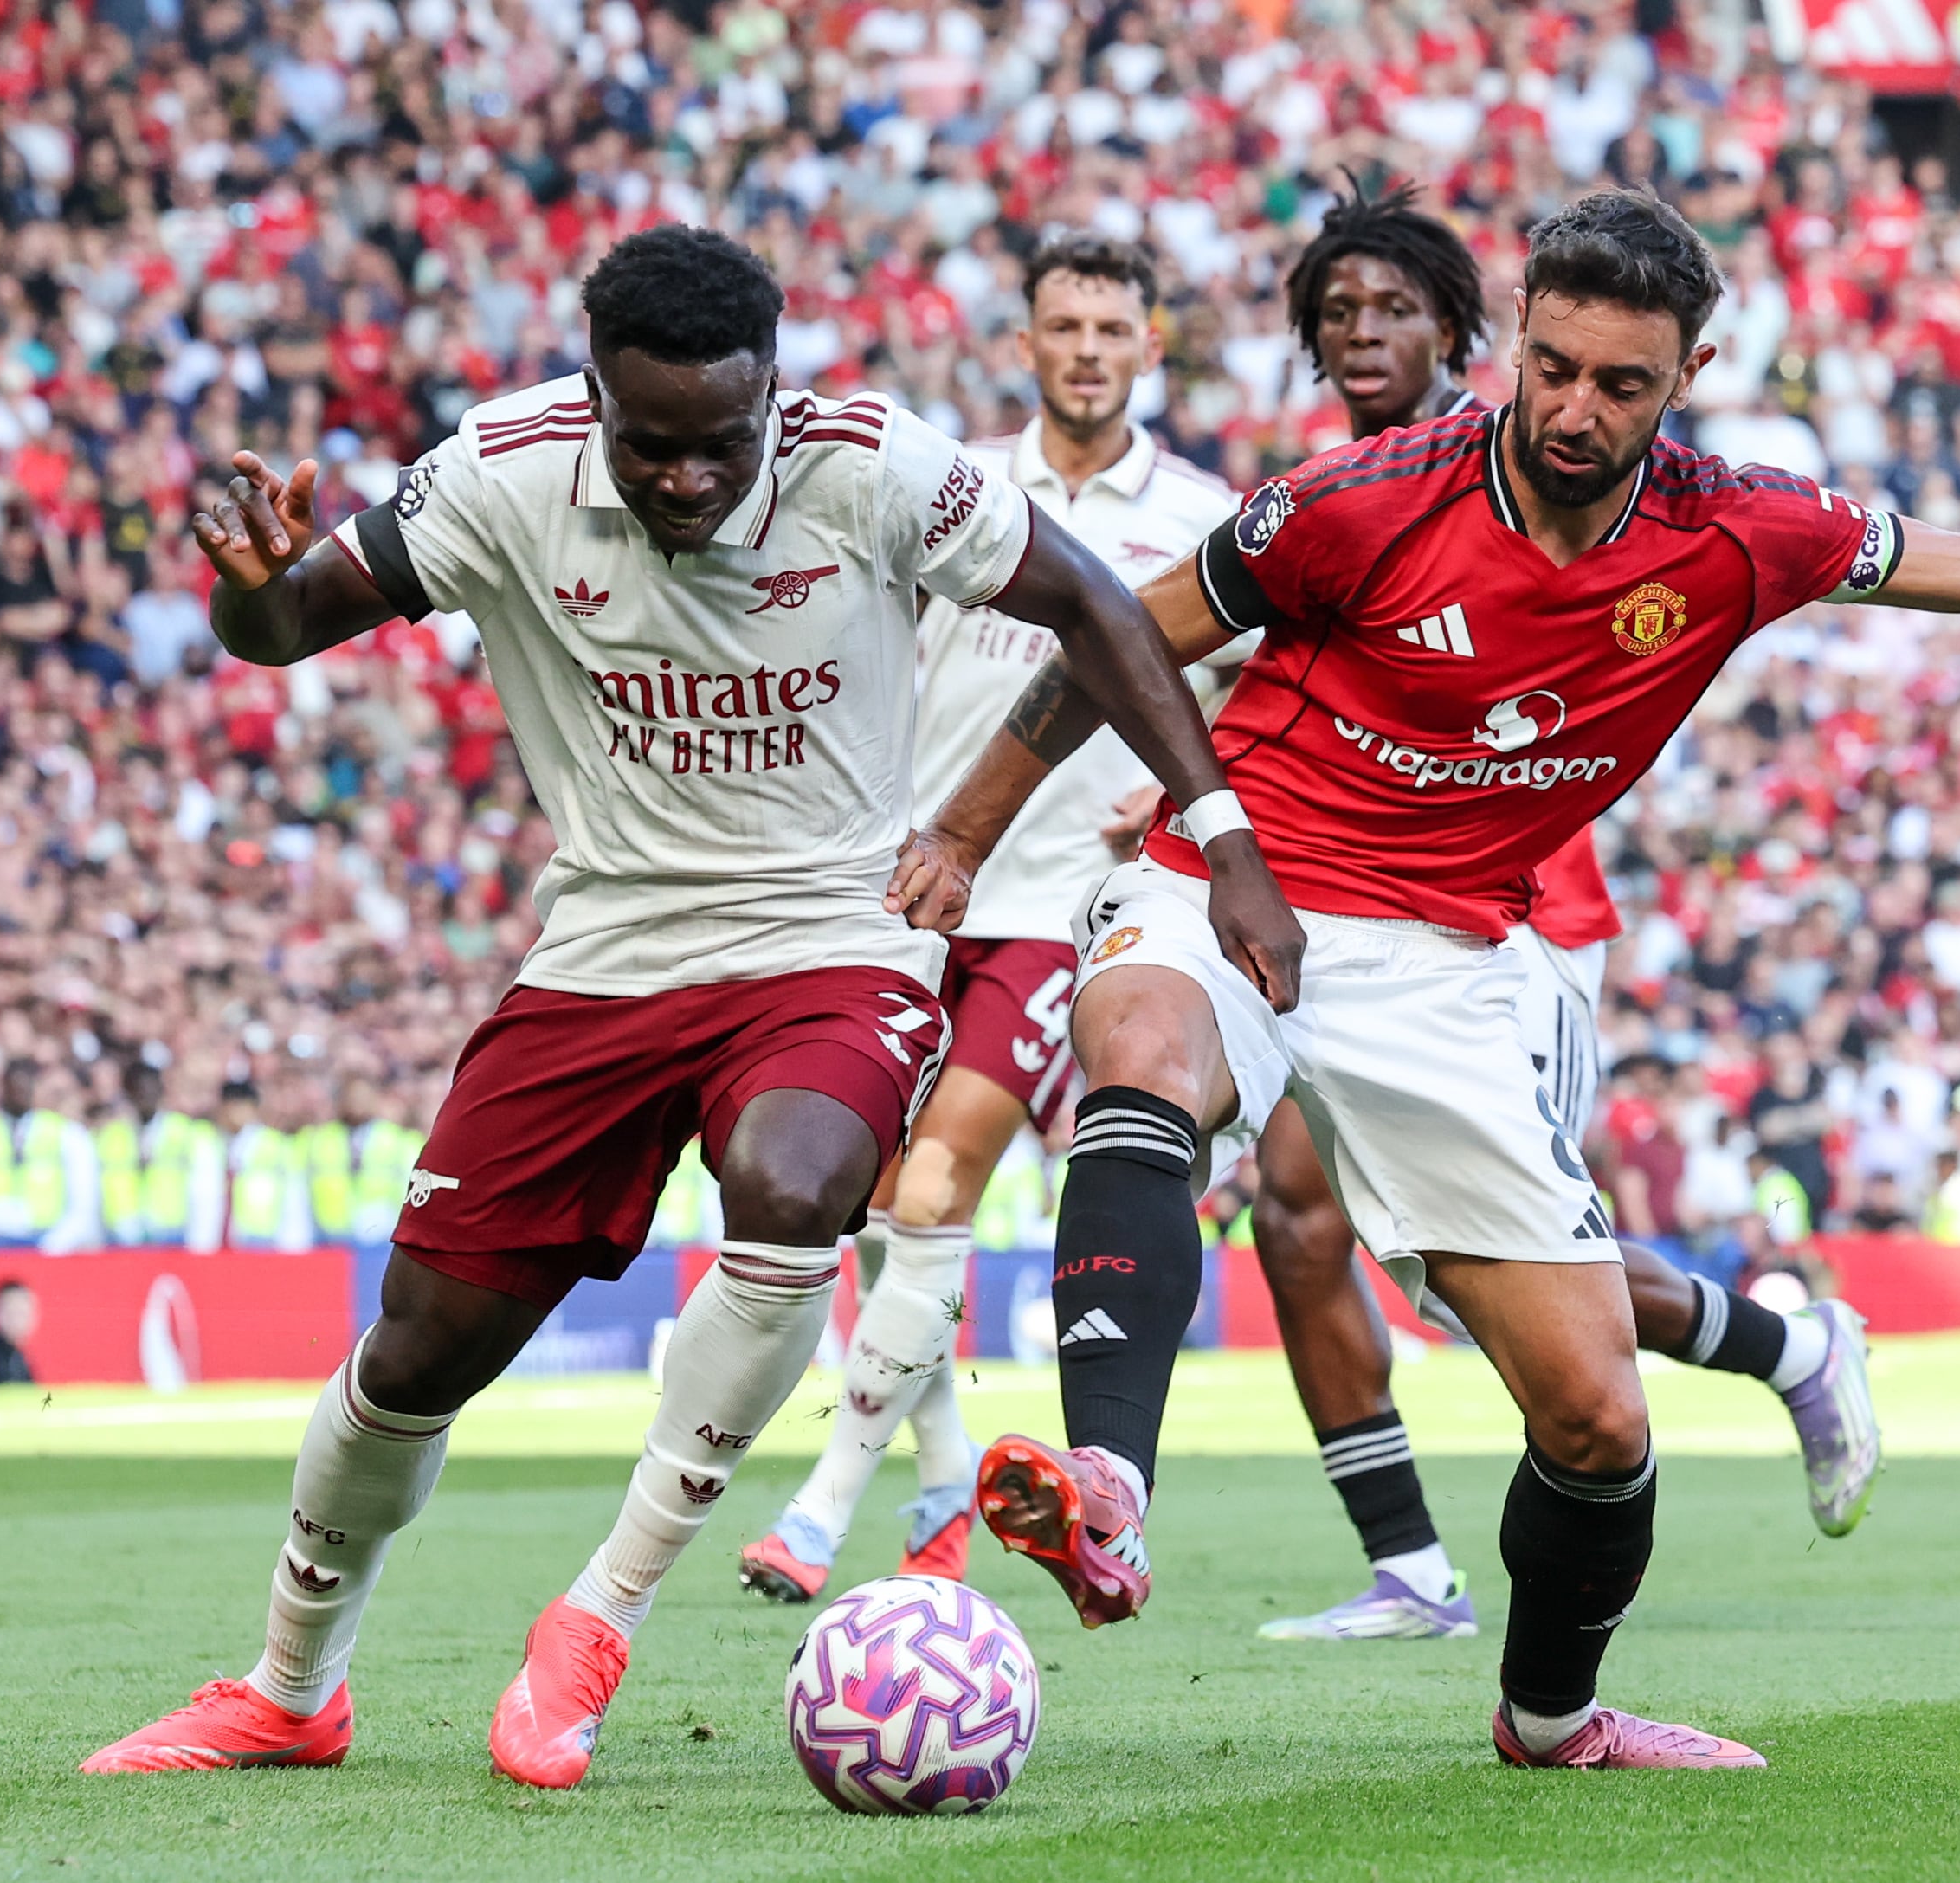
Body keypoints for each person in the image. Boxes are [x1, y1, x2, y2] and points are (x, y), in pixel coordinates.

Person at [889, 186, 1960, 1771]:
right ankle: (1110, 1494)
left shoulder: (1737, 530)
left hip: (1448, 962)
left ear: (1685, 374)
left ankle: (1553, 1719)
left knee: (1597, 1421)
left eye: (1617, 385)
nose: (1572, 411)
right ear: (1512, 344)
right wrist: (963, 830)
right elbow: (1110, 639)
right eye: (1550, 368)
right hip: (1246, 888)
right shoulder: (1354, 500)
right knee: (1141, 1045)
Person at [80, 225, 1291, 1786]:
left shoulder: (869, 463)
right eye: (649, 445)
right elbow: (288, 621)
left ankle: (599, 1614)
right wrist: (248, 595)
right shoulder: (504, 472)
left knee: (799, 1188)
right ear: (593, 398)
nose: (686, 477)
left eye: (722, 442)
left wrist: (1226, 837)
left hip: (827, 939)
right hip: (600, 952)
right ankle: (291, 1687)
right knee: (418, 1353)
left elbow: (1100, 609)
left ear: (772, 397)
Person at [1250, 179, 1879, 1647]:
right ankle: (1405, 1561)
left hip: (1516, 921)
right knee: (1296, 1217)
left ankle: (1786, 1347)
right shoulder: (1320, 500)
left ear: (1470, 332)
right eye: (1337, 311)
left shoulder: (1557, 484)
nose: (1362, 333)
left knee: (1498, 1299)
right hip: (1331, 908)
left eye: (1395, 309)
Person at [738, 234, 1241, 1604]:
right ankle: (947, 1465)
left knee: (938, 1178)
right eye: (1062, 325)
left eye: (1110, 327)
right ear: (1025, 345)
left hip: (1055, 907)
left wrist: (1188, 792)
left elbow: (1262, 690)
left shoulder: (1201, 514)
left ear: (1151, 346)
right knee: (880, 1206)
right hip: (908, 890)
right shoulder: (948, 490)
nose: (1086, 348)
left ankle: (820, 1508)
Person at [0, 1060, 101, 1256]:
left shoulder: (67, 1134)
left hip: (49, 1243)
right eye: (14, 1083)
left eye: (27, 1083)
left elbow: (84, 1201)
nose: (20, 1090)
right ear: (1, 1086)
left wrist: (54, 1246)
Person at [96, 1060, 224, 1253]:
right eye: (137, 1090)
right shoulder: (111, 1137)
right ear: (127, 1093)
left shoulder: (187, 1134)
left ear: (161, 1091)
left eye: (150, 1090)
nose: (144, 1096)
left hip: (172, 1238)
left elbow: (205, 1195)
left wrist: (201, 1246)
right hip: (121, 1240)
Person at [300, 1078, 426, 1249]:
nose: (357, 1103)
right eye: (352, 1097)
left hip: (381, 1235)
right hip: (331, 1234)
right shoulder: (321, 1138)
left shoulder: (395, 1138)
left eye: (363, 1097)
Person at [218, 1080, 316, 1253]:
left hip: (263, 1238)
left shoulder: (275, 1145)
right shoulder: (216, 1143)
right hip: (226, 1239)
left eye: (237, 1106)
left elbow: (294, 1196)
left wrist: (294, 1243)